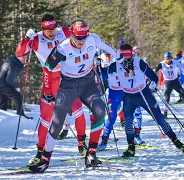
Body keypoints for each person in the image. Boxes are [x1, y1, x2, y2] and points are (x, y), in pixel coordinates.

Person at [29, 19, 123, 173]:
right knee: (57, 122)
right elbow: (48, 67)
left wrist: (122, 60)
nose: (81, 40)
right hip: (68, 86)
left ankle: (91, 152)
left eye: (84, 36)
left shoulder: (93, 39)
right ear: (71, 34)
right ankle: (45, 159)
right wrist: (47, 90)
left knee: (100, 110)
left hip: (88, 84)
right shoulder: (63, 48)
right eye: (78, 37)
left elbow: (112, 49)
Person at [16, 14, 87, 166]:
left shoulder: (64, 32)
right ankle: (39, 153)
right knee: (46, 118)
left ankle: (82, 144)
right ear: (42, 28)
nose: (51, 32)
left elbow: (82, 38)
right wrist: (26, 38)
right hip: (50, 81)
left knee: (78, 111)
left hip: (68, 78)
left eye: (53, 28)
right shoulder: (36, 39)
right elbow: (20, 52)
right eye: (48, 29)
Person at [106, 44, 184, 157]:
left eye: (129, 56)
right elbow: (104, 73)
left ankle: (177, 142)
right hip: (128, 96)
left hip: (144, 95)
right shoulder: (115, 65)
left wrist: (153, 83)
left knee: (160, 120)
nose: (127, 59)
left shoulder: (138, 62)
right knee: (128, 122)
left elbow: (153, 76)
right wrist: (98, 66)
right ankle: (131, 148)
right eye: (124, 57)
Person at [155, 51, 184, 118]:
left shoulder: (175, 62)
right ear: (164, 58)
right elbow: (155, 71)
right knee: (166, 98)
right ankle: (165, 113)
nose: (168, 60)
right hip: (167, 82)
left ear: (171, 58)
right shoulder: (161, 64)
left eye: (169, 58)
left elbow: (183, 66)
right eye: (166, 59)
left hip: (175, 81)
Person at [0, 54, 33, 119]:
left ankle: (2, 119)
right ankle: (20, 114)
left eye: (25, 57)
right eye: (23, 57)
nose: (25, 58)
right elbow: (9, 79)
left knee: (3, 103)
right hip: (3, 84)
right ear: (18, 57)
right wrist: (14, 89)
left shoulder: (11, 61)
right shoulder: (14, 64)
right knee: (17, 96)